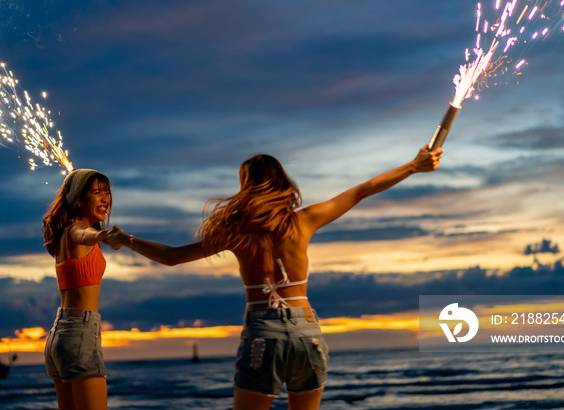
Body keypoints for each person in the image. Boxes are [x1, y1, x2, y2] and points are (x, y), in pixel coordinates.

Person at [107, 145, 442, 410]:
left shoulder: (235, 232)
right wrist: (414, 165)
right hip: (306, 331)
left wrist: (126, 240)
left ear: (246, 185)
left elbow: (172, 257)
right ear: (281, 181)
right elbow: (361, 191)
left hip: (262, 333)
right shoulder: (304, 221)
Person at [42, 169, 113, 410]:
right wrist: (103, 235)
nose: (105, 198)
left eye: (107, 192)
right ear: (79, 199)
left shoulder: (63, 235)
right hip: (80, 333)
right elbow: (85, 234)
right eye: (96, 192)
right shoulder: (76, 231)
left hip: (60, 335)